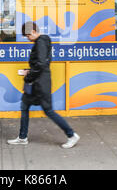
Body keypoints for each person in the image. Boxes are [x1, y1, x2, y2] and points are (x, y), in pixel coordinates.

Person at [7, 21, 80, 149]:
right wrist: (30, 71)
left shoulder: (40, 42)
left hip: (40, 84)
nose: (27, 38)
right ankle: (22, 137)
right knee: (24, 106)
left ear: (34, 32)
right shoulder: (43, 41)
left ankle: (72, 135)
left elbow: (41, 64)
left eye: (28, 35)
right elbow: (42, 63)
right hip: (37, 83)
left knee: (49, 111)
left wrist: (28, 76)